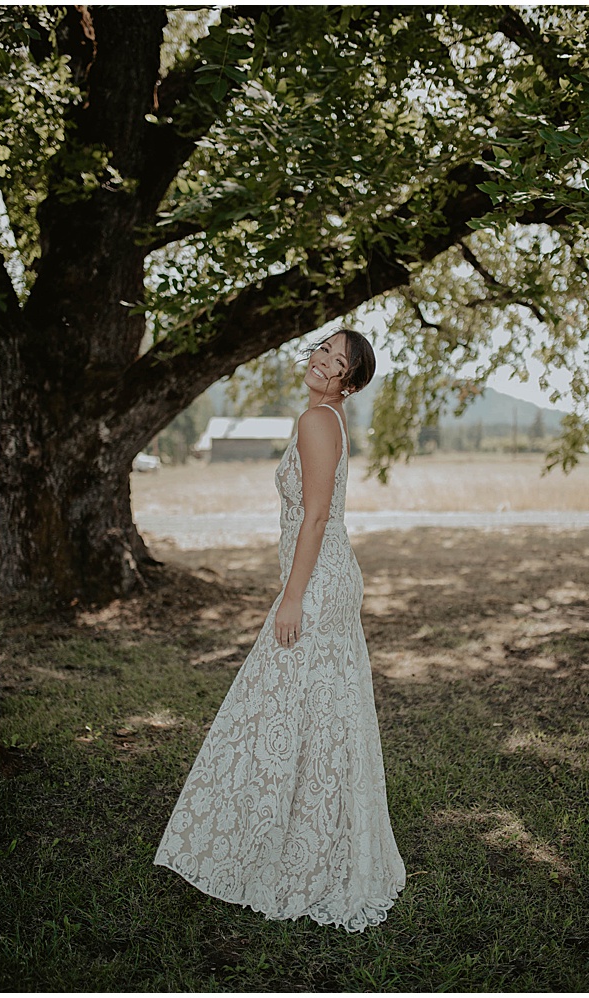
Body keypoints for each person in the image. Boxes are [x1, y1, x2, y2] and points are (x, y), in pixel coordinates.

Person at [153, 328, 406, 931]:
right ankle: (304, 830)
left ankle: (300, 846)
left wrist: (292, 598)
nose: (323, 360)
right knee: (313, 706)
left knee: (284, 699)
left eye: (338, 361)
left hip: (316, 584)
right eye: (324, 349)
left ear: (348, 381)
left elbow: (316, 517)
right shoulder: (327, 418)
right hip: (325, 576)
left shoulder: (318, 421)